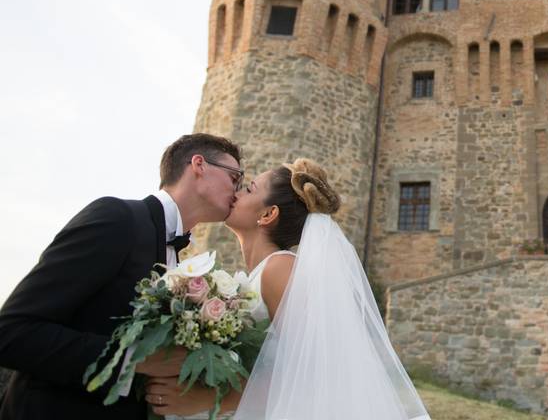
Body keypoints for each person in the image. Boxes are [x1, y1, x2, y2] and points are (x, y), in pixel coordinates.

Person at [147, 159, 430, 420]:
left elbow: (312, 371)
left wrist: (206, 399)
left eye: (249, 188)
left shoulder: (279, 269)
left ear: (268, 214)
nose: (237, 192)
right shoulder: (250, 278)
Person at [0, 133, 243, 420]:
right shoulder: (118, 218)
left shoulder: (180, 262)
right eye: (234, 177)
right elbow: (12, 332)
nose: (238, 192)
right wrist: (136, 358)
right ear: (199, 165)